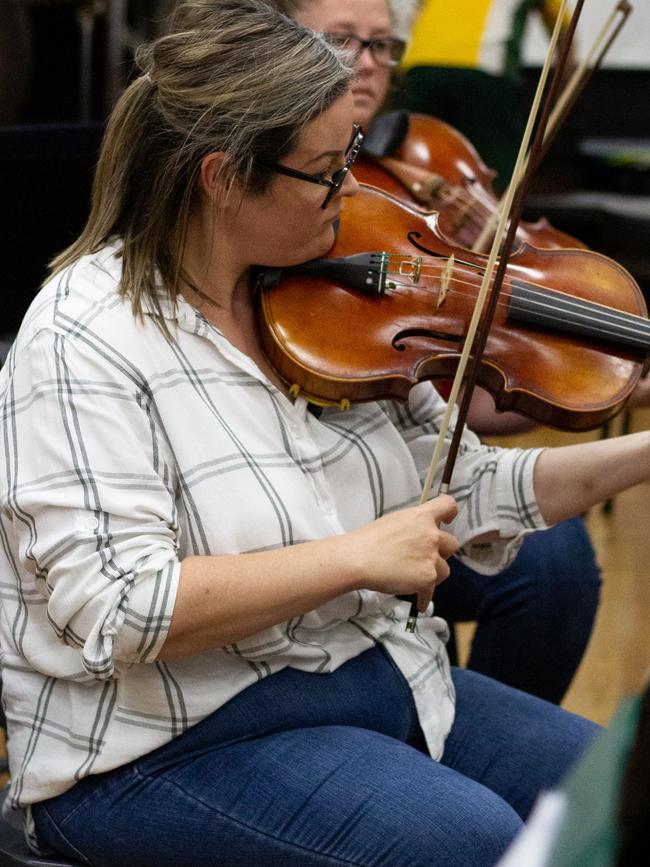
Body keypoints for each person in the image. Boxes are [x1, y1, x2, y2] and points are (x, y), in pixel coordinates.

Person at [5, 1, 650, 864]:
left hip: (364, 672)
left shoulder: (330, 302)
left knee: (612, 799)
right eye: (324, 172)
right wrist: (356, 555)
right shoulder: (87, 331)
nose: (354, 192)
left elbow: (474, 487)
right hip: (157, 741)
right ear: (224, 177)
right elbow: (119, 607)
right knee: (473, 842)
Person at [269, 0, 602, 705]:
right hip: (292, 497)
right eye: (339, 41)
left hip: (402, 473)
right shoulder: (275, 200)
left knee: (558, 561)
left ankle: (460, 720)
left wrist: (574, 370)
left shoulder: (413, 170)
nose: (363, 63)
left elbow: (450, 391)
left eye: (382, 47)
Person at [400, 0, 573, 192]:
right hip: (485, 68)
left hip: (419, 66)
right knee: (497, 174)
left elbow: (414, 18)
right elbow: (565, 32)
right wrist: (562, 95)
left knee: (417, 168)